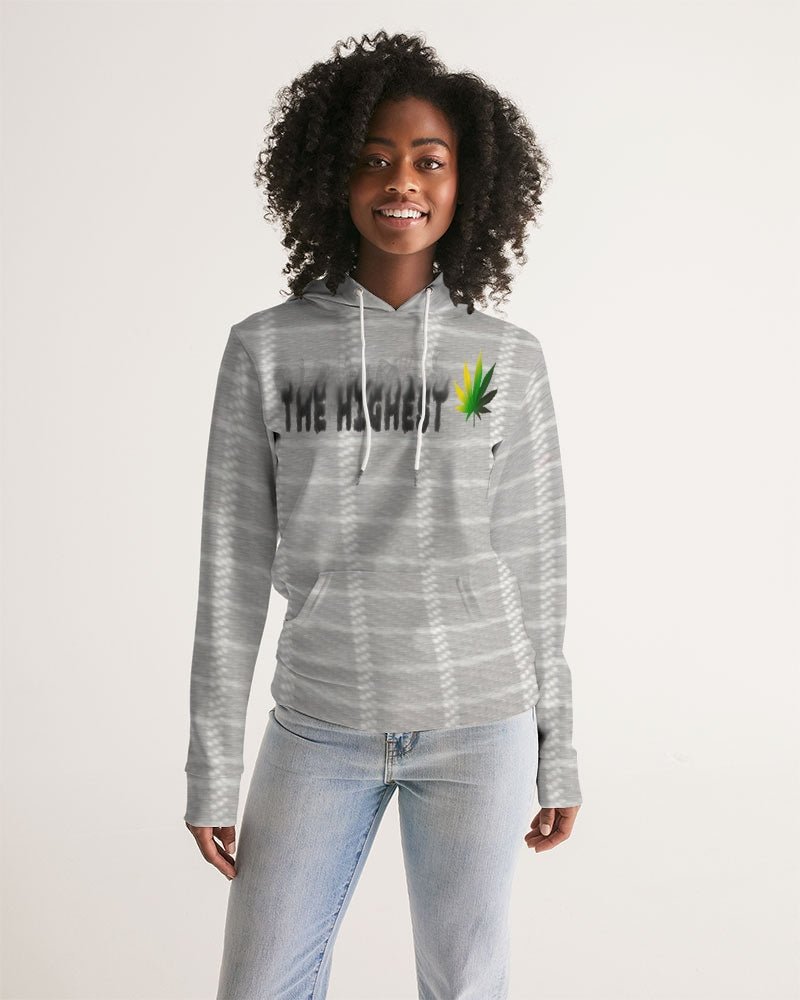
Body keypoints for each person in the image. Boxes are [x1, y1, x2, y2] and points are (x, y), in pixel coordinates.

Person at [183, 29, 582, 1000]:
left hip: (478, 719)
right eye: (373, 158)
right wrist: (212, 765)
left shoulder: (500, 360)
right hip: (318, 722)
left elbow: (534, 558)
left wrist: (557, 744)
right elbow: (232, 566)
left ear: (466, 184)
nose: (401, 182)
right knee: (260, 983)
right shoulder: (267, 350)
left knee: (463, 983)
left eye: (428, 161)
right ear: (331, 176)